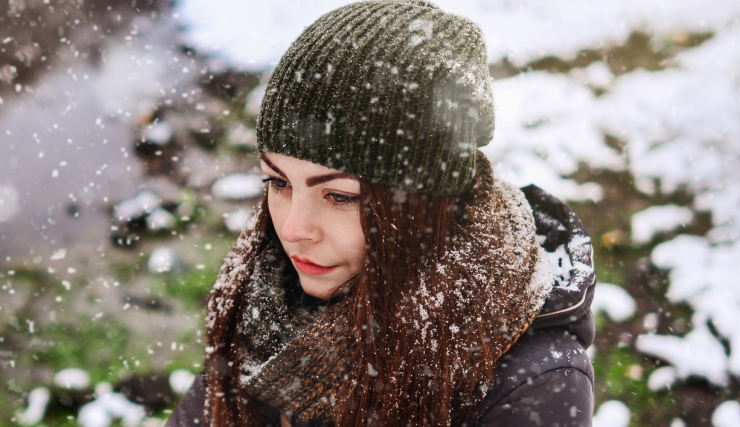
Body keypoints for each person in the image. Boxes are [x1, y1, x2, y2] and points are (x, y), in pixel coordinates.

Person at [167, 1, 596, 426]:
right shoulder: (264, 304)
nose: (293, 229)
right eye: (278, 182)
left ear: (425, 204)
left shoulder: (532, 383)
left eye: (339, 196)